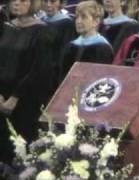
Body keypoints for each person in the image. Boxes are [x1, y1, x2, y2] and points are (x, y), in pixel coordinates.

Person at [0, 0, 54, 164]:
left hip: (26, 102)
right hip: (1, 97)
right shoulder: (5, 26)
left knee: (21, 153)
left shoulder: (43, 31)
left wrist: (14, 98)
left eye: (23, 0)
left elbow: (38, 69)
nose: (16, 3)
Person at [60, 0, 113, 82]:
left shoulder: (103, 48)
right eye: (77, 17)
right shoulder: (71, 46)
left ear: (96, 21)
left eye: (84, 17)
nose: (78, 21)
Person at [41, 0, 77, 94]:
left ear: (60, 3)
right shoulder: (39, 21)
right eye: (45, 1)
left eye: (52, 1)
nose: (48, 5)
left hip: (53, 75)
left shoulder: (67, 23)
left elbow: (64, 52)